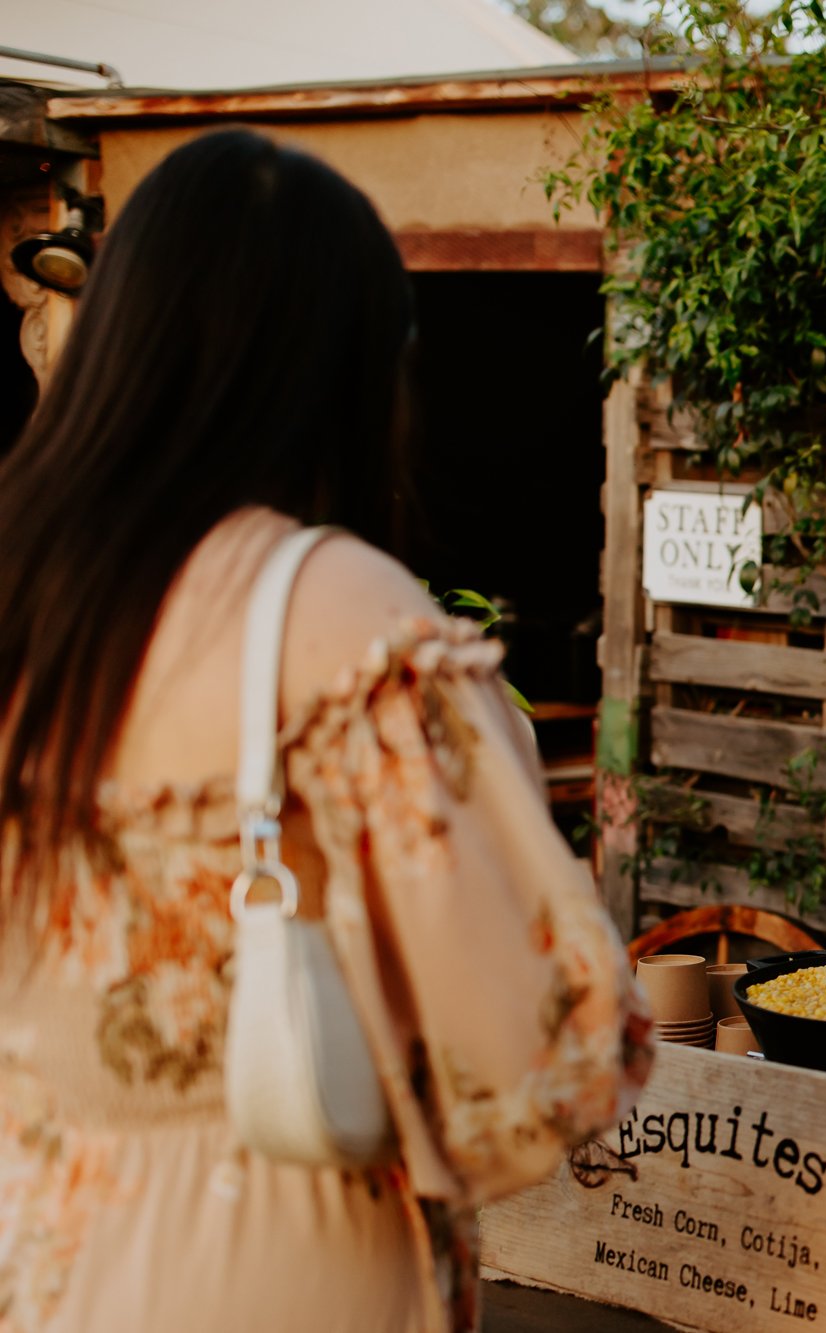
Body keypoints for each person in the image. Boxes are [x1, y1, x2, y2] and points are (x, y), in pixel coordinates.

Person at [0, 129, 653, 1332]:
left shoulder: (24, 585)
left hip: (44, 1252)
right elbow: (530, 1070)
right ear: (349, 369)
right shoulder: (336, 616)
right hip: (277, 1268)